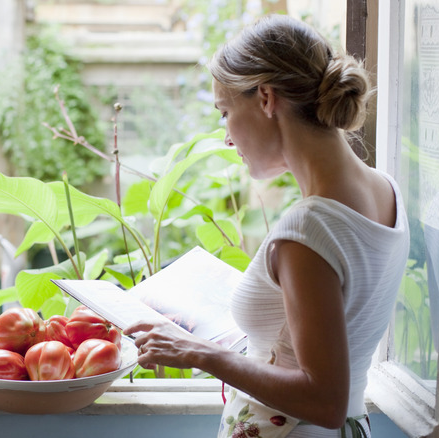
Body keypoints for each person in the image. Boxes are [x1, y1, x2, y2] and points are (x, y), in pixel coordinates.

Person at [124, 14, 410, 438]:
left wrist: (199, 353)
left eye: (225, 112)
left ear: (266, 98)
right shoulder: (385, 189)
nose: (225, 137)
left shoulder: (308, 229)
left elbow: (324, 400)